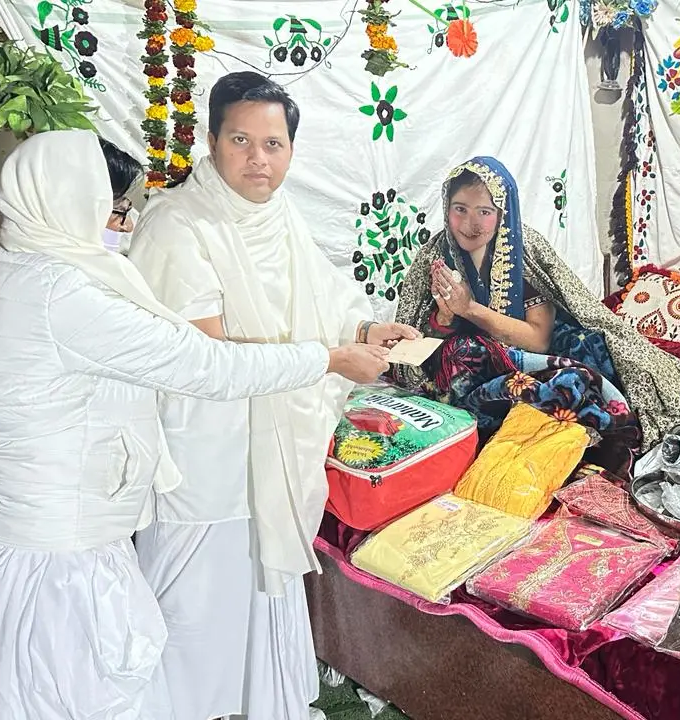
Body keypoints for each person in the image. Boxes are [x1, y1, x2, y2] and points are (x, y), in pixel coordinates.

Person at [0, 130, 389, 720]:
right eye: (113, 208)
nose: (122, 224)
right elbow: (208, 365)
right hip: (61, 566)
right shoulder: (66, 295)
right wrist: (327, 360)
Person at [127, 72, 417, 720]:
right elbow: (209, 359)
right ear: (211, 140)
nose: (258, 158)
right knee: (193, 617)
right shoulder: (177, 226)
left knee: (260, 606)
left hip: (272, 452)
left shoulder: (278, 216)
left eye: (273, 144)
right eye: (241, 140)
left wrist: (364, 331)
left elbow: (320, 301)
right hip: (205, 461)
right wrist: (330, 360)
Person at [393, 156, 680, 468]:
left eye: (484, 212)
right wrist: (445, 318)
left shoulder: (524, 250)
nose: (470, 224)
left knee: (590, 360)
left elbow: (539, 338)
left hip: (531, 348)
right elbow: (423, 339)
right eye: (459, 209)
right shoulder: (435, 255)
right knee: (462, 355)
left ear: (502, 212)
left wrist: (470, 309)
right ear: (447, 207)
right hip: (476, 360)